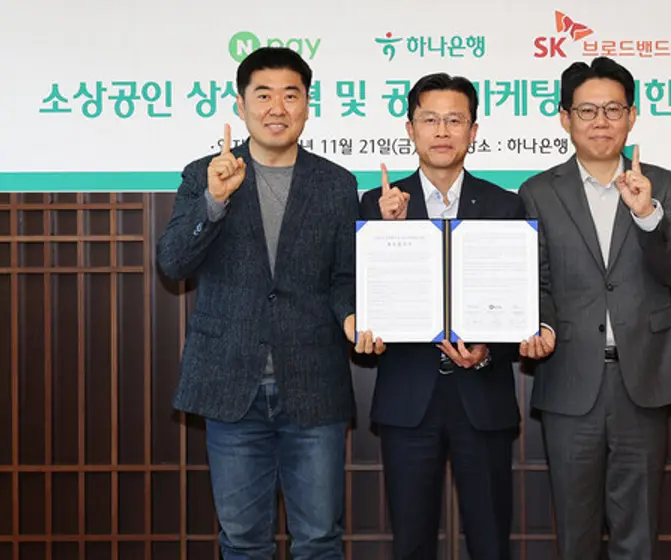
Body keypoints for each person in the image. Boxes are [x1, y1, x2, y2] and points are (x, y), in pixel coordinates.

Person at [156, 47, 358, 560]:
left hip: (314, 386)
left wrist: (353, 316)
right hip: (230, 385)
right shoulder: (204, 174)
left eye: (291, 95)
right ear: (240, 105)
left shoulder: (337, 184)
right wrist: (214, 202)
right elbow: (173, 262)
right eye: (263, 95)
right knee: (243, 542)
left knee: (319, 540)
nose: (277, 108)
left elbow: (345, 278)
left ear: (307, 105)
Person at [517, 56, 671, 559]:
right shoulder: (537, 191)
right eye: (588, 110)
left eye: (614, 109)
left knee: (637, 531)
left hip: (644, 379)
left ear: (632, 116)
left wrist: (648, 215)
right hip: (570, 376)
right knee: (575, 531)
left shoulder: (661, 184)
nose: (601, 121)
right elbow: (536, 280)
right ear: (565, 117)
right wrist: (541, 324)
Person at [355, 72, 525, 560]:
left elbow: (519, 298)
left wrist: (489, 349)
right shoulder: (378, 203)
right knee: (411, 541)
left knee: (491, 542)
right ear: (410, 129)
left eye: (455, 120)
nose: (442, 131)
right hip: (408, 397)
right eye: (430, 120)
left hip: (483, 397)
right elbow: (361, 291)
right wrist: (388, 229)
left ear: (474, 130)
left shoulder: (505, 205)